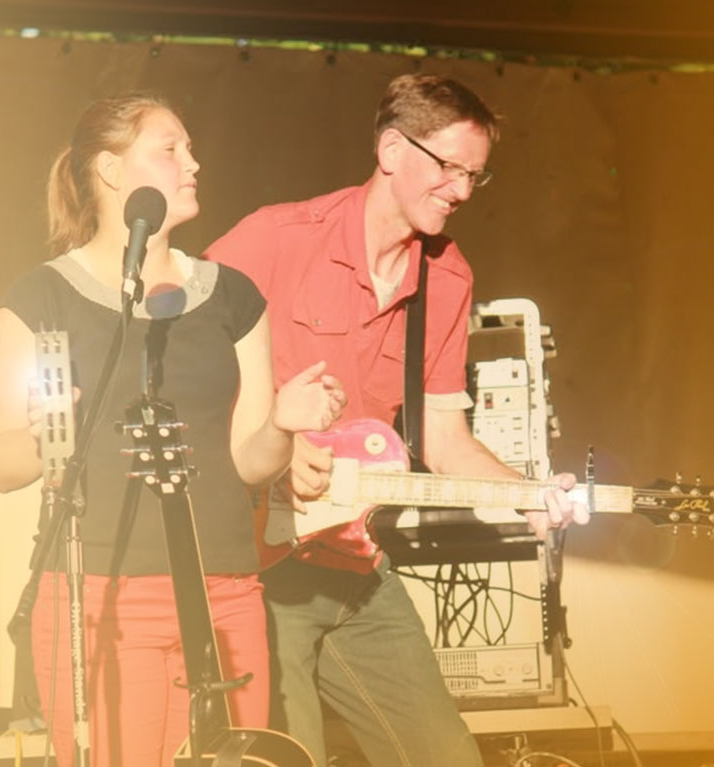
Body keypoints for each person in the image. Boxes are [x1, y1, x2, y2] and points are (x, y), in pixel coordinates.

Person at [204, 73, 591, 766]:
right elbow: (176, 370)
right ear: (390, 148)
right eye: (448, 167)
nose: (463, 191)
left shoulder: (447, 278)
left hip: (351, 565)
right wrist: (271, 445)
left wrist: (528, 494)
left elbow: (444, 440)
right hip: (254, 569)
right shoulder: (275, 238)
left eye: (476, 175)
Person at [0, 93, 345, 767]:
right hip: (100, 598)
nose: (193, 163)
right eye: (170, 149)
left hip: (224, 593)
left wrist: (282, 425)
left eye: (191, 148)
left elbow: (248, 459)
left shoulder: (233, 297)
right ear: (112, 170)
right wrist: (46, 434)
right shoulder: (40, 299)